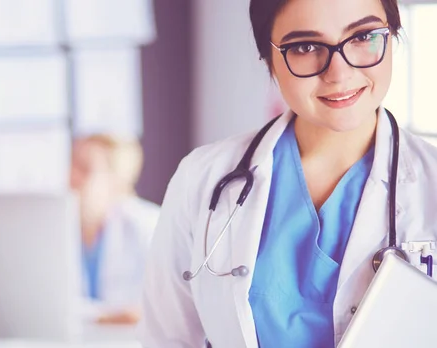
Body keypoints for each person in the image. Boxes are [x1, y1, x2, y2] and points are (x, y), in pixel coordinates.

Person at [138, 0, 437, 346]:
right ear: (268, 58)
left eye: (362, 36)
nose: (338, 73)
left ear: (393, 35)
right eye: (306, 47)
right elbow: (167, 339)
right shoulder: (201, 179)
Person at [70, 134, 160, 325]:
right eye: (71, 166)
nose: (71, 177)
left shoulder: (149, 225)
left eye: (84, 169)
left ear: (117, 181)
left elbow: (160, 310)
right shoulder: (60, 231)